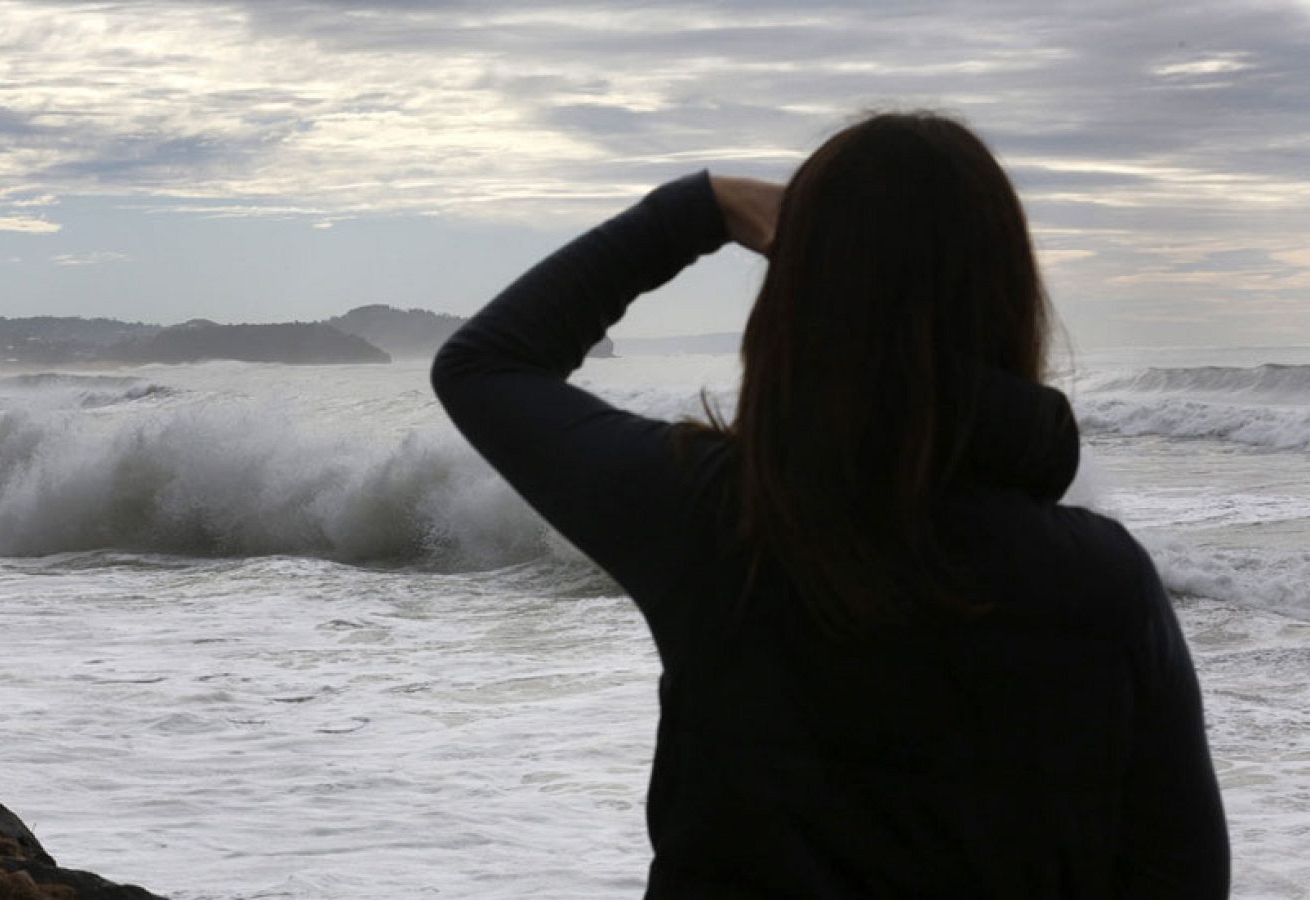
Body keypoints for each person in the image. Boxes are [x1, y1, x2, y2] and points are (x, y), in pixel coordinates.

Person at [431, 111, 1230, 898]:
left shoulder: (712, 516)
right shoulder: (1103, 581)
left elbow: (487, 364)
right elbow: (1181, 876)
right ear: (1008, 296)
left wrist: (699, 209)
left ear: (795, 302)